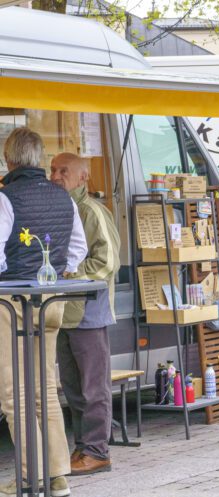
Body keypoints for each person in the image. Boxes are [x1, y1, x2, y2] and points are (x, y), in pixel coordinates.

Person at [0, 128, 87, 497]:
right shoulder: (62, 197)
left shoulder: (6, 198)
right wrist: (51, 272)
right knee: (44, 390)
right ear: (38, 158)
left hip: (12, 299)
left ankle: (28, 477)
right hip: (51, 299)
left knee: (13, 392)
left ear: (9, 159)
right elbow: (78, 248)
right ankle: (57, 475)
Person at [51, 153, 120, 476]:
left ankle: (97, 451)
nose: (55, 176)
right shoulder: (60, 209)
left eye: (63, 171)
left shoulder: (90, 210)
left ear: (82, 178)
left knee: (93, 387)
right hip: (64, 310)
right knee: (74, 387)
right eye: (52, 170)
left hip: (88, 311)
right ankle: (84, 447)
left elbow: (107, 262)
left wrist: (68, 274)